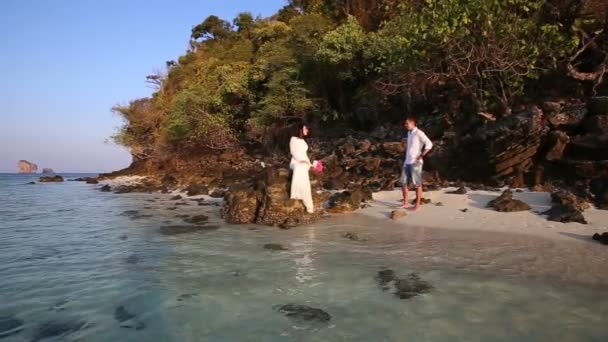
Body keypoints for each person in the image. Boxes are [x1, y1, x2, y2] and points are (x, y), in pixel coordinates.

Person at [401, 116, 433, 211]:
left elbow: (429, 144)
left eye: (407, 123)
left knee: (417, 184)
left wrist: (422, 155)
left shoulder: (419, 133)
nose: (405, 125)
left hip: (416, 163)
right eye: (405, 124)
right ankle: (405, 203)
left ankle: (417, 205)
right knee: (403, 183)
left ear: (412, 123)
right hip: (407, 162)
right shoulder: (409, 133)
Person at [289, 123, 314, 213]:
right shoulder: (293, 139)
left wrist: (310, 164)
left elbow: (305, 154)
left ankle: (307, 200)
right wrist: (300, 160)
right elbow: (293, 152)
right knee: (300, 168)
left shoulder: (303, 141)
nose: (307, 130)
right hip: (295, 161)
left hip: (304, 161)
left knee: (304, 168)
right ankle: (297, 194)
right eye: (305, 129)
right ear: (300, 130)